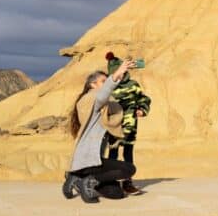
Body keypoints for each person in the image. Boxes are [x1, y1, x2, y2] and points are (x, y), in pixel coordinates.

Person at [62, 59, 137, 203]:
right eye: (103, 81)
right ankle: (89, 181)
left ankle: (76, 178)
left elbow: (110, 101)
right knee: (129, 169)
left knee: (116, 193)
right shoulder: (92, 100)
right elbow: (103, 94)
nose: (106, 83)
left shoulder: (100, 106)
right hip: (89, 161)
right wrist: (117, 74)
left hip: (91, 164)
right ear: (93, 85)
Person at [104, 52, 151, 195]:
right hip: (113, 127)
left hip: (130, 127)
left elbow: (144, 99)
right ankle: (111, 182)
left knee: (128, 155)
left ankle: (127, 182)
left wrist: (142, 110)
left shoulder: (133, 85)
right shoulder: (108, 86)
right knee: (112, 154)